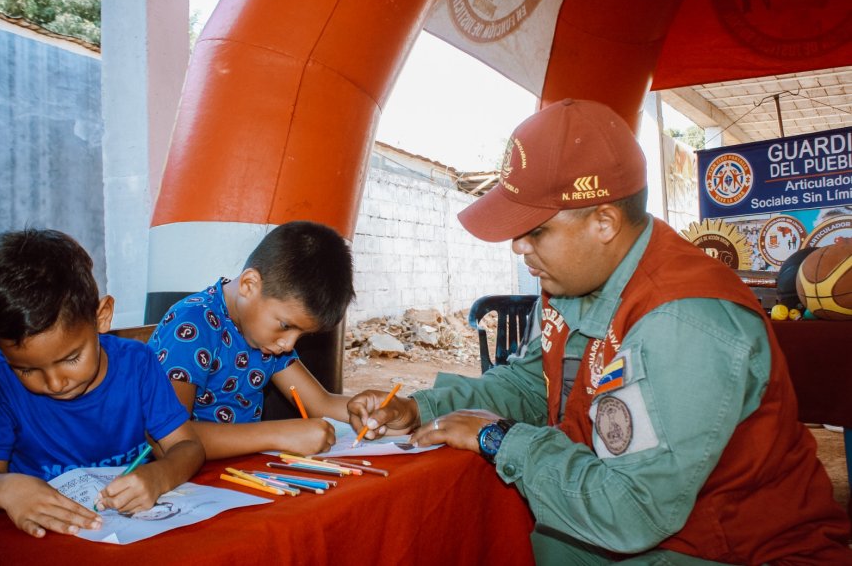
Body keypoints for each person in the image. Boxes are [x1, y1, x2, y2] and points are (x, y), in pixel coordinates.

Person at [349, 99, 852, 563]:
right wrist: (422, 408)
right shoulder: (573, 277)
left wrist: (502, 440)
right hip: (623, 525)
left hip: (723, 550)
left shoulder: (683, 321)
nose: (518, 248)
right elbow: (533, 384)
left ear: (604, 222)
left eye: (536, 230)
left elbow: (631, 512)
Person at [0, 229, 205, 540]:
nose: (55, 383)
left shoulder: (138, 364)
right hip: (46, 537)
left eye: (71, 358)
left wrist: (160, 475)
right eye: (27, 369)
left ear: (102, 316)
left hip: (130, 532)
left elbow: (189, 447)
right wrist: (4, 489)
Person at [149, 220, 356, 459]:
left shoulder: (262, 336)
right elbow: (166, 438)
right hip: (179, 475)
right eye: (286, 326)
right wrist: (278, 434)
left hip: (239, 470)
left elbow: (321, 404)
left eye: (301, 334)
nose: (289, 344)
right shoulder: (192, 324)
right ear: (249, 285)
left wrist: (374, 411)